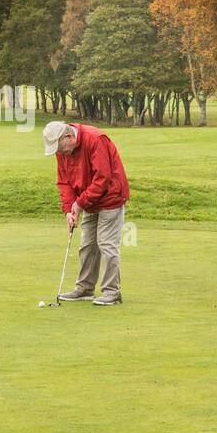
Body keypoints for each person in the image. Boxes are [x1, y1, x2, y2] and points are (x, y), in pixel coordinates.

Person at [42, 120, 130, 306]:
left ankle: (112, 292)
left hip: (111, 196)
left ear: (69, 136)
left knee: (106, 243)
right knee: (87, 245)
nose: (61, 153)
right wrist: (68, 209)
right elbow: (64, 181)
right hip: (89, 199)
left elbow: (102, 178)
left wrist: (80, 203)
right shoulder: (63, 150)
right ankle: (85, 288)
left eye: (61, 149)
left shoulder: (95, 139)